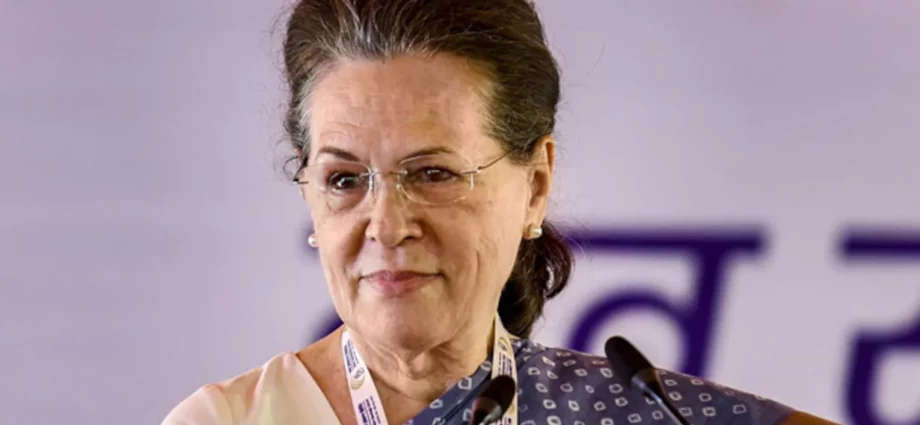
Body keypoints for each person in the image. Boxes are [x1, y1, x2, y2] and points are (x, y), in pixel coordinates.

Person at [162, 0, 838, 424]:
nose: (387, 225)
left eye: (432, 173)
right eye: (344, 179)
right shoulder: (231, 420)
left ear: (536, 185)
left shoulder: (631, 413)